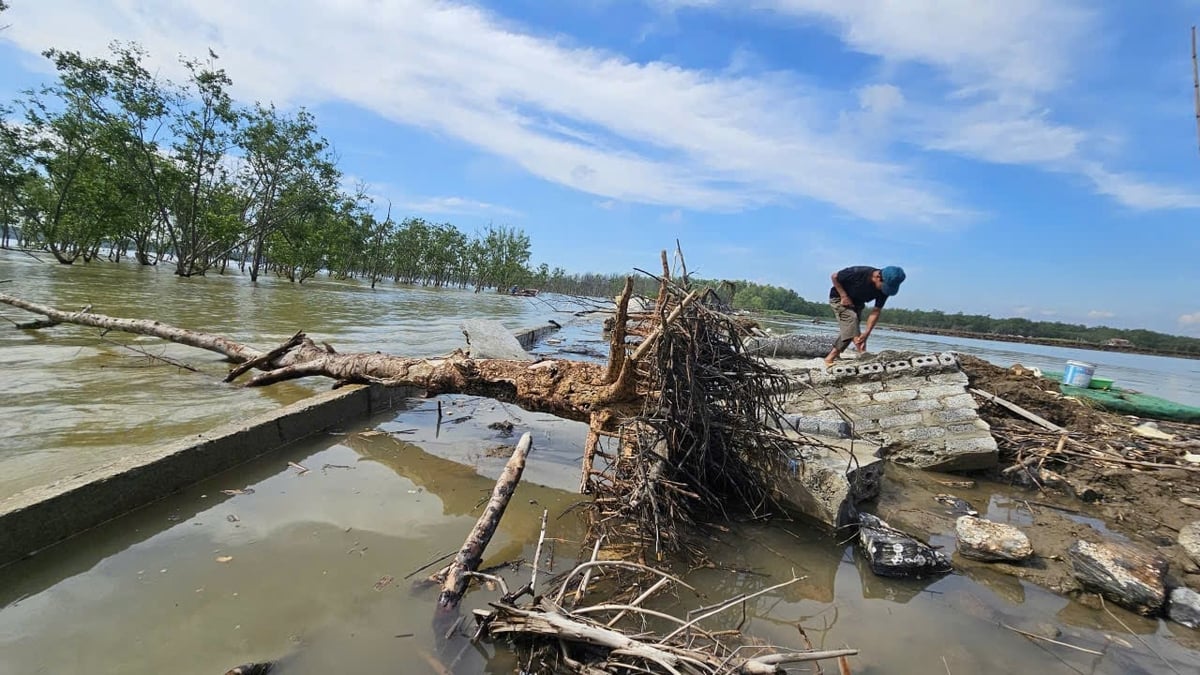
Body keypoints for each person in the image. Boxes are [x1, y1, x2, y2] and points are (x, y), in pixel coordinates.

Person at [824, 265, 906, 367]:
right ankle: (831, 358)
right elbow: (834, 276)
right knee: (852, 321)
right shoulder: (858, 273)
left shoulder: (884, 291)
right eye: (884, 286)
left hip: (857, 303)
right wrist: (844, 296)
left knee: (852, 329)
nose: (884, 289)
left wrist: (867, 333)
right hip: (839, 298)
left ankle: (856, 353)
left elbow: (876, 311)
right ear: (878, 277)